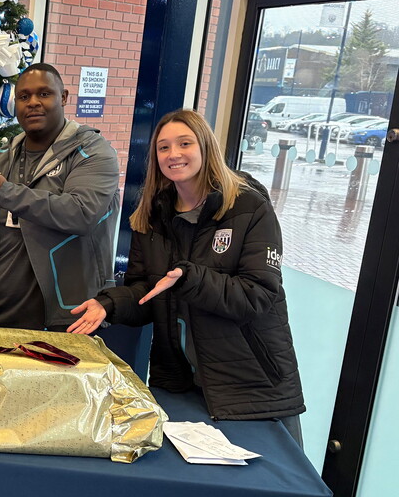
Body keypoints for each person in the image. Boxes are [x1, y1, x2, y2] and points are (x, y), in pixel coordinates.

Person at [68, 109, 305, 440]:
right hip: (180, 384)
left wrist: (189, 278)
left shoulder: (249, 207)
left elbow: (258, 295)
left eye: (184, 143)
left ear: (205, 147)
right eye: (163, 147)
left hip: (252, 389)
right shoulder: (150, 217)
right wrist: (109, 304)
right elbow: (145, 292)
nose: (173, 154)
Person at [0, 62, 120, 332]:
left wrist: (4, 192)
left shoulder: (93, 153)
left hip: (63, 319)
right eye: (24, 97)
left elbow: (81, 213)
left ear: (63, 97)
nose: (33, 103)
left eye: (44, 94)